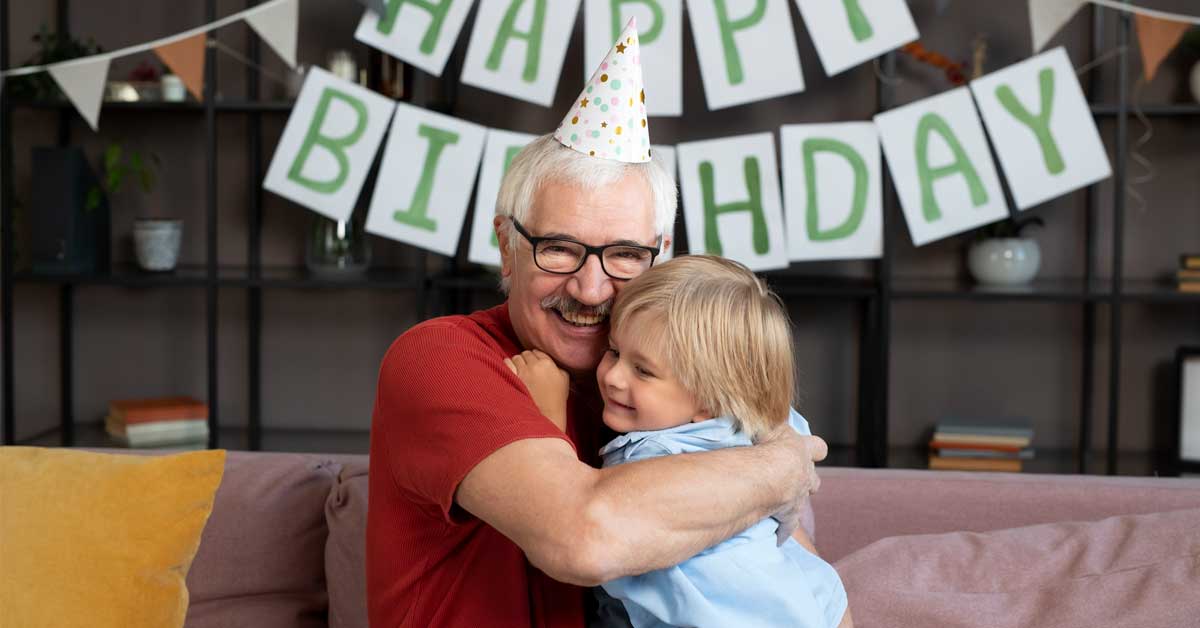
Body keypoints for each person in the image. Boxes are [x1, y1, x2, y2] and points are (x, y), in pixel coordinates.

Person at [366, 18, 828, 628]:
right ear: (507, 246)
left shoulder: (667, 390)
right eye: (558, 248)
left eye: (625, 255)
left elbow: (791, 578)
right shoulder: (441, 359)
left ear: (659, 254)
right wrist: (785, 464)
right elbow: (582, 540)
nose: (590, 288)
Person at [507, 255, 853, 628]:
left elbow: (571, 522)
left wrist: (548, 416)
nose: (612, 377)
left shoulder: (658, 456)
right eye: (614, 352)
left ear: (709, 401)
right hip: (811, 604)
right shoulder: (759, 430)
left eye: (643, 370)